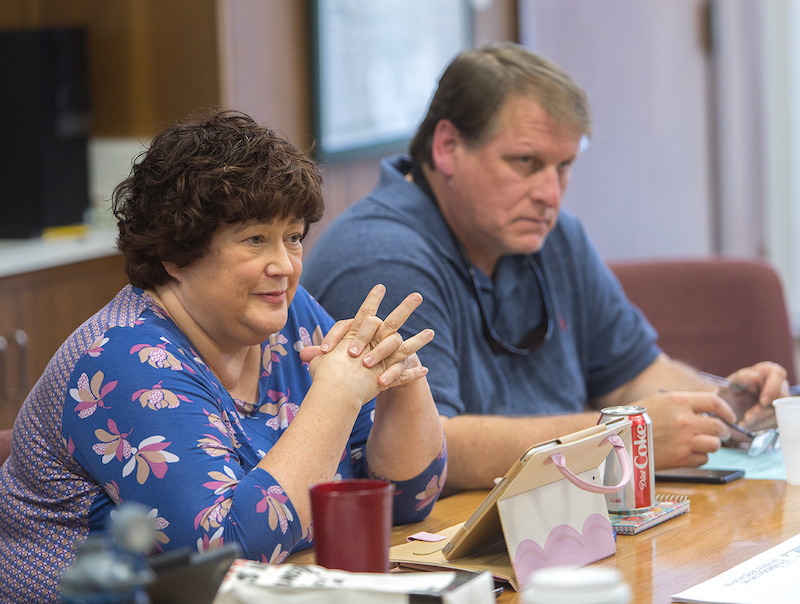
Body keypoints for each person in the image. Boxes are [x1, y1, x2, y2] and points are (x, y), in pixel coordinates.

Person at [301, 42, 788, 494]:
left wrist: (729, 407)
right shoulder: (379, 255)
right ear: (447, 147)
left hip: (561, 510)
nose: (550, 195)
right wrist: (619, 433)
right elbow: (429, 452)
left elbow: (633, 375)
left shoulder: (554, 236)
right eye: (526, 162)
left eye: (564, 166)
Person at [0, 110, 446, 603]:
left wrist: (399, 378)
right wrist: (336, 395)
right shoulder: (122, 361)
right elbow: (224, 559)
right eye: (255, 240)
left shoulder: (287, 314)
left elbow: (407, 498)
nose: (284, 266)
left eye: (293, 237)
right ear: (177, 253)